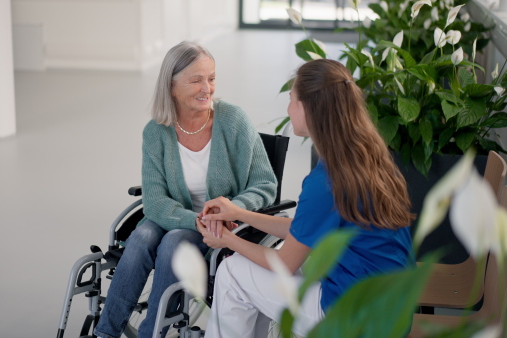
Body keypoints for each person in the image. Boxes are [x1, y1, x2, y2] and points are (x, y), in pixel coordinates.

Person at [197, 59, 415, 337]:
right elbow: (306, 228)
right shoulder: (365, 157)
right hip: (391, 309)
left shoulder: (327, 180)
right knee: (251, 271)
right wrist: (238, 213)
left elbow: (286, 264)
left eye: (291, 100)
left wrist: (226, 240)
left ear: (309, 108)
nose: (288, 109)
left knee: (231, 273)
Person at [93, 41, 277, 338]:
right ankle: (105, 333)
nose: (207, 88)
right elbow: (154, 202)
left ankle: (153, 333)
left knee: (173, 242)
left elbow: (265, 184)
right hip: (176, 216)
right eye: (196, 80)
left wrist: (230, 209)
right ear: (172, 86)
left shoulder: (233, 121)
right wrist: (194, 219)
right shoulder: (156, 132)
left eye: (212, 78)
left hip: (220, 225)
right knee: (141, 236)